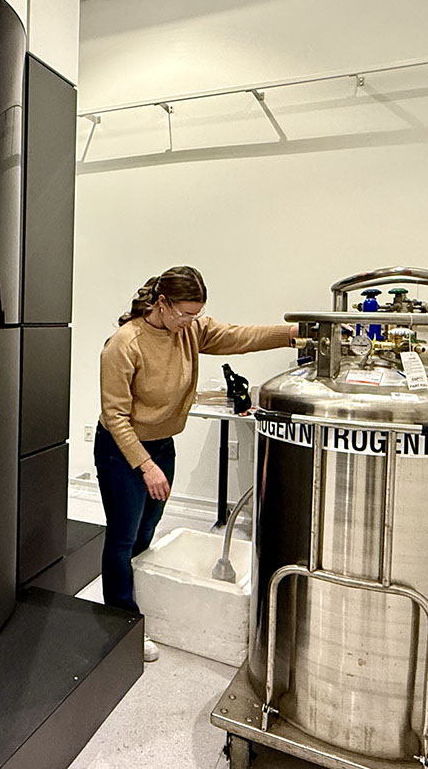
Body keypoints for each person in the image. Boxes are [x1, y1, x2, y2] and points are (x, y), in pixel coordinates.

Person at [94, 265, 296, 662]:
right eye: (184, 313)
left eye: (196, 315)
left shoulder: (189, 330)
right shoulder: (124, 343)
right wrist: (145, 466)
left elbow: (241, 335)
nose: (190, 322)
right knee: (122, 535)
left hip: (161, 444)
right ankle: (120, 621)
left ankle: (139, 596)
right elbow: (115, 416)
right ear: (161, 303)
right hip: (122, 451)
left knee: (147, 527)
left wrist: (289, 334)